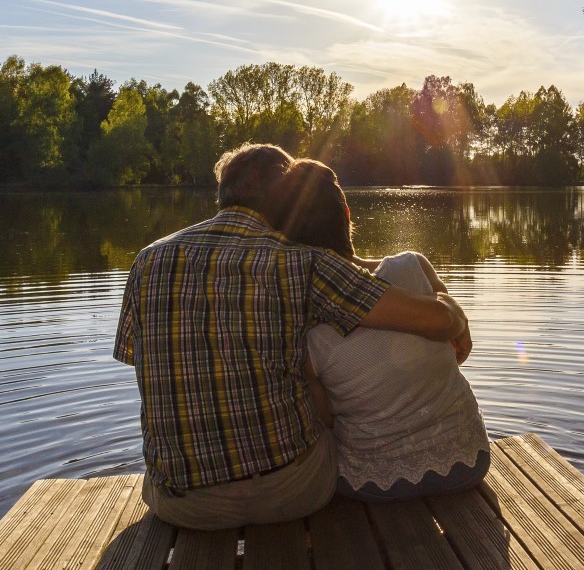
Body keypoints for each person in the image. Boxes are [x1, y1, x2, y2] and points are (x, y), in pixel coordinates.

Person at [113, 143, 472, 530]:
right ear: (283, 200)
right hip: (291, 492)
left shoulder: (147, 259)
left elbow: (140, 359)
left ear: (223, 194)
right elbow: (431, 321)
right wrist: (454, 314)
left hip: (180, 505)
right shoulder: (302, 262)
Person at [262, 159, 489, 501]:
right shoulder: (414, 265)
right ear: (348, 216)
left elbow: (326, 420)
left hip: (370, 484)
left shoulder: (306, 333)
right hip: (469, 462)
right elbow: (457, 348)